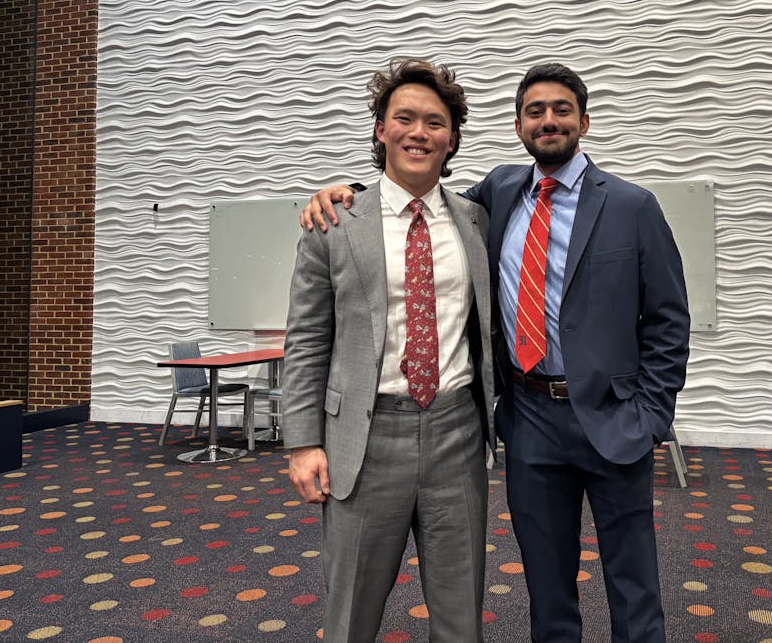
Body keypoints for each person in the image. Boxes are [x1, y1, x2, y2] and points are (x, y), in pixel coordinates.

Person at [301, 63, 690, 643]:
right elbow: (407, 190)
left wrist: (652, 416)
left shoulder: (632, 206)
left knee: (633, 584)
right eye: (536, 111)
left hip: (613, 420)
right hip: (529, 422)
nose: (549, 121)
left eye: (562, 109)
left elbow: (668, 321)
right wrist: (346, 190)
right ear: (517, 125)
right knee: (546, 584)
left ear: (584, 120)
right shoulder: (497, 197)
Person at [282, 58, 496, 643]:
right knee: (350, 614)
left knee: (460, 618)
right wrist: (302, 443)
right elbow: (304, 341)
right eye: (404, 118)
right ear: (381, 129)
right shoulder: (334, 222)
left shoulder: (476, 219)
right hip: (365, 440)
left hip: (457, 434)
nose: (418, 132)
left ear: (452, 138)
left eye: (435, 122)